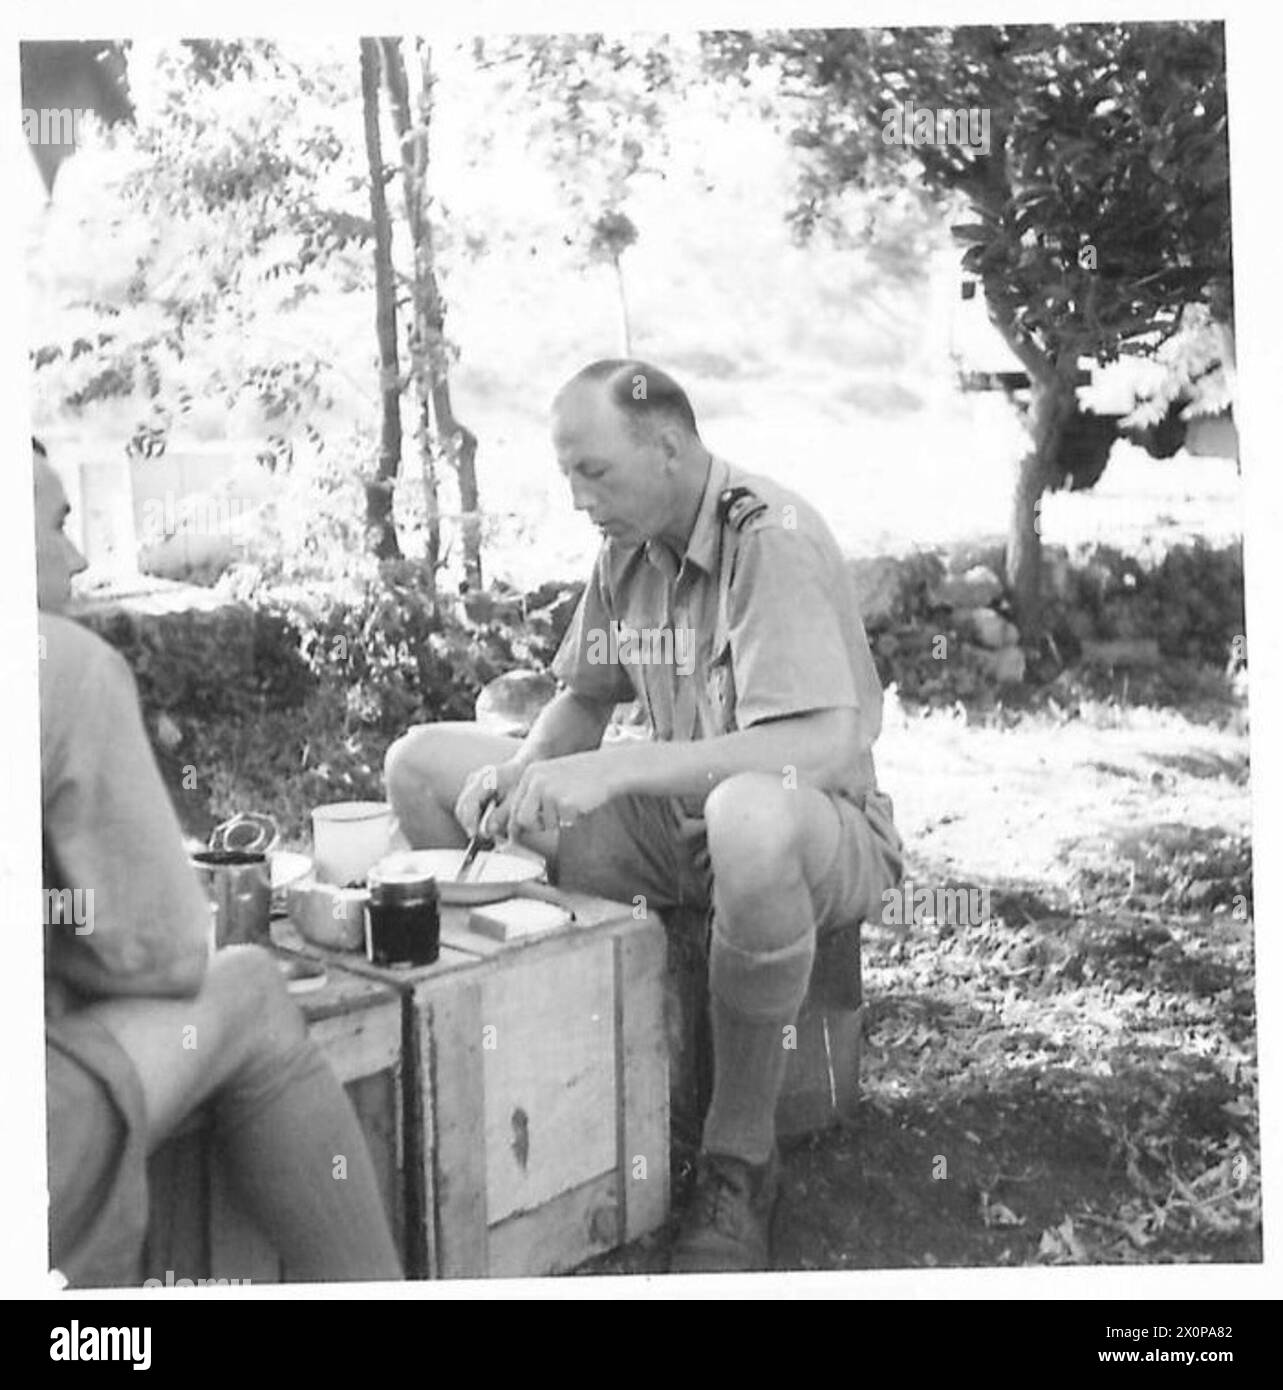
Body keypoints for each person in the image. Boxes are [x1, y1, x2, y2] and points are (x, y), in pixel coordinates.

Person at [385, 361, 904, 1272]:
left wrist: (619, 771)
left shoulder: (765, 537)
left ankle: (739, 1165)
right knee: (420, 765)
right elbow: (580, 700)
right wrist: (524, 768)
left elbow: (816, 745)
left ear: (667, 446)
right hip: (676, 833)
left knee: (747, 815)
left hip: (813, 831)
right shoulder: (627, 542)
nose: (580, 498)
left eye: (595, 472)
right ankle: (532, 1081)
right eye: (568, 475)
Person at [34, 440, 402, 1287]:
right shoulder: (55, 662)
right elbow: (162, 957)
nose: (81, 557)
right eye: (57, 526)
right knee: (248, 992)